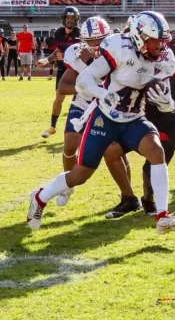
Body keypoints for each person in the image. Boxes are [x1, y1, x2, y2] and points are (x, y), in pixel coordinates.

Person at [27, 12, 175, 235]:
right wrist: (103, 94)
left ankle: (162, 216)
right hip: (105, 117)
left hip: (133, 118)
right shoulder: (120, 48)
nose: (159, 46)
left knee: (155, 150)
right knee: (79, 175)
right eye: (154, 40)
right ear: (139, 37)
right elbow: (84, 80)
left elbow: (166, 102)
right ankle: (40, 198)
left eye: (162, 41)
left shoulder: (164, 57)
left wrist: (167, 103)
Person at [49, 17, 136, 217]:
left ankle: (127, 191)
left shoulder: (117, 50)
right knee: (70, 145)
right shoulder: (76, 54)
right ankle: (67, 185)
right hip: (83, 104)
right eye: (91, 41)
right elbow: (63, 86)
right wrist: (85, 87)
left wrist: (95, 87)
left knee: (116, 151)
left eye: (100, 39)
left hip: (109, 106)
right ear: (83, 40)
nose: (96, 45)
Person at [40, 7, 83, 138]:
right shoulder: (58, 33)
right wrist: (47, 60)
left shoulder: (80, 34)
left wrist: (65, 56)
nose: (69, 21)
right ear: (63, 19)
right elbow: (57, 51)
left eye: (72, 18)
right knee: (58, 99)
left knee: (83, 99)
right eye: (68, 18)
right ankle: (52, 126)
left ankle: (84, 127)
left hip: (76, 71)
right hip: (62, 70)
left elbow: (83, 54)